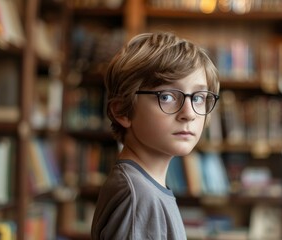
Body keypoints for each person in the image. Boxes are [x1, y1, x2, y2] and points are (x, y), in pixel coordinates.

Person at [91, 32, 220, 240]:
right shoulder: (138, 197)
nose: (188, 113)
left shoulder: (144, 187)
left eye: (198, 98)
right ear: (122, 111)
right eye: (167, 96)